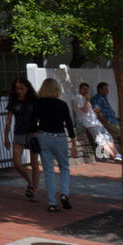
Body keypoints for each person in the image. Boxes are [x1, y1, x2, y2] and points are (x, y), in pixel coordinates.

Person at [33, 78, 77, 212]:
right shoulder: (62, 104)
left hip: (44, 136)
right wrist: (73, 142)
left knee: (49, 171)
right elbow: (69, 123)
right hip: (59, 137)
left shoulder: (38, 104)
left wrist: (34, 134)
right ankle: (64, 193)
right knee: (64, 167)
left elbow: (32, 121)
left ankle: (52, 203)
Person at [4, 77, 41, 198]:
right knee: (17, 163)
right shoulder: (13, 101)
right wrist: (6, 137)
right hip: (18, 132)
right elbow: (8, 121)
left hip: (33, 133)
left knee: (34, 163)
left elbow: (42, 117)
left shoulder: (34, 100)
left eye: (22, 88)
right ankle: (29, 182)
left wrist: (40, 131)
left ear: (27, 87)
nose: (19, 91)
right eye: (17, 88)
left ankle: (34, 190)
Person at [92, 82, 122, 159]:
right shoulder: (98, 98)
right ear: (100, 89)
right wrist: (104, 120)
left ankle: (103, 155)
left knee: (105, 138)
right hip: (106, 121)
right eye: (105, 89)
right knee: (120, 134)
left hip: (111, 121)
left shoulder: (103, 97)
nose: (107, 91)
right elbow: (96, 110)